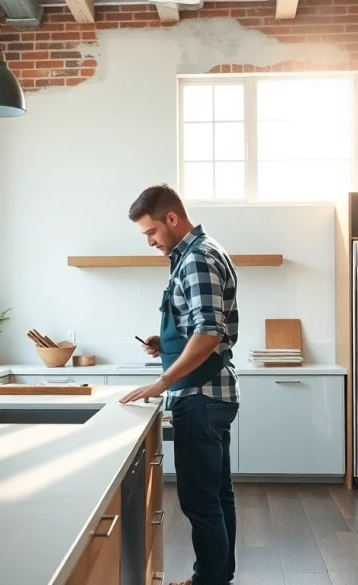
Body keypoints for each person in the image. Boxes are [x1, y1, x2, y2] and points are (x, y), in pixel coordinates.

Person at [119, 184, 240, 585]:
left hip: (200, 395)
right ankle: (217, 577)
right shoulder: (196, 253)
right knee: (217, 495)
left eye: (151, 231)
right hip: (212, 394)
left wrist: (162, 381)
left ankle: (209, 581)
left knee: (201, 502)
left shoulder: (197, 259)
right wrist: (166, 343)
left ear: (172, 218)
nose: (150, 241)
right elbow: (198, 327)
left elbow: (209, 331)